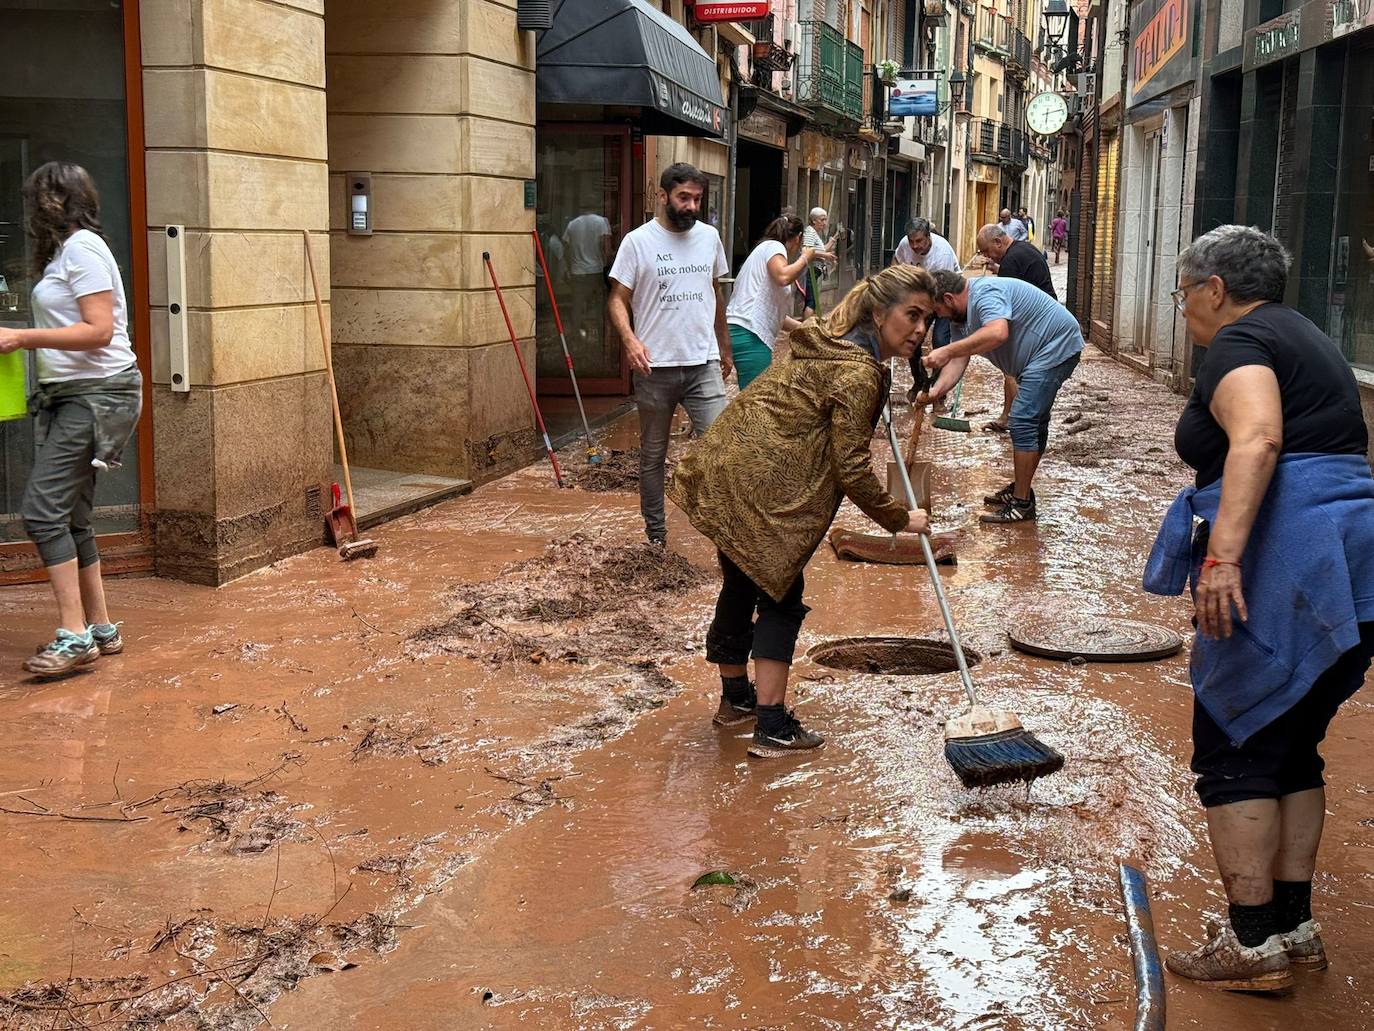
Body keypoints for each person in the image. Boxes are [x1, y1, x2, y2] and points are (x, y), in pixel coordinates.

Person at [1144, 226, 1374, 992]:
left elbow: (1258, 439)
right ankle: (1294, 929)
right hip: (1351, 558)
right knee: (1292, 746)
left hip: (1291, 560)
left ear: (1214, 288)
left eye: (1184, 295)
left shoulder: (1240, 340)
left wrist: (1223, 558)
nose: (1184, 312)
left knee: (1234, 742)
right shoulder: (1304, 333)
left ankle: (1252, 946)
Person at [669, 266, 935, 756]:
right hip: (762, 489)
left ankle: (736, 701)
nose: (920, 329)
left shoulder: (825, 338)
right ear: (879, 312)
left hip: (724, 466)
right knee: (780, 595)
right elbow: (851, 468)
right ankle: (771, 724)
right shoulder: (858, 372)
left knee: (741, 580)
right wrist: (901, 518)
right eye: (912, 315)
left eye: (927, 319)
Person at [0, 162, 142, 677]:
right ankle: (99, 626)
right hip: (75, 394)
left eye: (38, 199)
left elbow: (99, 330)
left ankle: (73, 636)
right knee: (74, 518)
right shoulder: (68, 251)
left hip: (97, 395)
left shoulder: (82, 248)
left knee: (41, 513)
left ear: (57, 202)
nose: (32, 211)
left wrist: (21, 338)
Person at [608, 163, 731, 546]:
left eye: (697, 198)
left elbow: (715, 294)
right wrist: (629, 341)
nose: (691, 205)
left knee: (723, 451)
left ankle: (726, 533)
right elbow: (617, 298)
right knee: (653, 456)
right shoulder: (637, 242)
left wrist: (724, 347)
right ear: (662, 197)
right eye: (684, 197)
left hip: (703, 364)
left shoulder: (710, 238)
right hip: (655, 367)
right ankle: (656, 536)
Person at [923, 270, 1083, 523]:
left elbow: (997, 333)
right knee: (1033, 421)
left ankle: (1022, 503)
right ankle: (1021, 488)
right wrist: (934, 392)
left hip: (1055, 346)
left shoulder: (985, 294)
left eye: (936, 310)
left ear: (949, 299)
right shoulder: (959, 318)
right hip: (1037, 357)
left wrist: (946, 349)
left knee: (1022, 420)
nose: (937, 316)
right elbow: (956, 361)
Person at [975, 223, 1057, 432]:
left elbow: (1003, 305)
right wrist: (997, 270)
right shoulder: (1022, 249)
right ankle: (1009, 416)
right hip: (1045, 317)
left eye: (987, 251)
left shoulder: (1012, 260)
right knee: (1012, 369)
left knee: (1013, 369)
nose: (988, 256)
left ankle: (1022, 419)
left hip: (1038, 322)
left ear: (998, 242)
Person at [725, 215, 813, 390]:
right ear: (798, 238)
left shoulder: (763, 249)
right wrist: (805, 259)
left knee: (750, 400)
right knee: (756, 404)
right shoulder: (775, 247)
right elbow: (783, 276)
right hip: (752, 334)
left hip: (739, 329)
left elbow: (775, 315)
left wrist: (805, 328)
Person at [892, 217, 963, 393]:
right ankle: (920, 381)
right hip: (920, 295)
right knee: (911, 339)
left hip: (945, 297)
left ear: (928, 237)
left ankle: (938, 390)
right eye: (912, 241)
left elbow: (938, 292)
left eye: (919, 241)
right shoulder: (904, 244)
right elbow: (896, 262)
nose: (915, 246)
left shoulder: (942, 253)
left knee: (939, 340)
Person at [563, 208, 614, 340]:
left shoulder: (572, 224)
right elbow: (606, 247)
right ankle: (602, 334)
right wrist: (609, 265)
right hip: (596, 270)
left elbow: (566, 248)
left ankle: (575, 334)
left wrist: (569, 267)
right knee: (599, 304)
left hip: (577, 271)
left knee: (577, 304)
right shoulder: (602, 222)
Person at [801, 207, 839, 318]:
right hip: (811, 270)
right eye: (822, 220)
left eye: (825, 220)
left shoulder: (814, 233)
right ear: (814, 220)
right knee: (811, 302)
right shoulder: (810, 232)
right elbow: (806, 251)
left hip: (816, 271)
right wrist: (825, 255)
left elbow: (823, 249)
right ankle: (805, 329)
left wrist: (834, 238)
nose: (825, 223)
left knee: (813, 301)